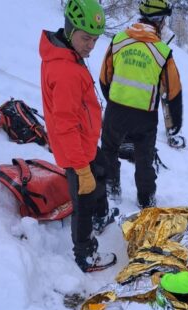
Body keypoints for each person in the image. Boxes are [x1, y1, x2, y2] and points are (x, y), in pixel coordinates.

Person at [39, 0, 118, 273]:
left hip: (85, 143)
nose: (90, 46)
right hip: (76, 151)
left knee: (101, 174)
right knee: (83, 199)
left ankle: (100, 215)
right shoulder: (66, 71)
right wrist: (81, 168)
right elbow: (65, 125)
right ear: (70, 29)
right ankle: (84, 253)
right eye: (86, 38)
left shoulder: (68, 55)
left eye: (94, 40)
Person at [99, 0, 183, 208]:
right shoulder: (162, 52)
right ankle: (146, 199)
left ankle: (112, 188)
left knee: (109, 149)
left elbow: (104, 77)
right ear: (160, 21)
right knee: (144, 158)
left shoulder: (118, 41)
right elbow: (173, 91)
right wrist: (174, 125)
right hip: (145, 115)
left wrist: (114, 100)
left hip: (116, 109)